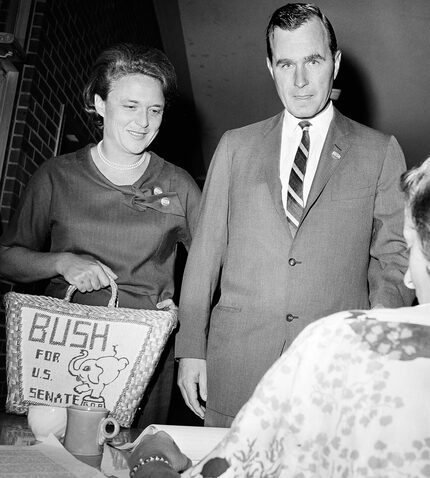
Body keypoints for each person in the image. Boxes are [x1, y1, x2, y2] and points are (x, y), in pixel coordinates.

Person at [175, 2, 415, 428]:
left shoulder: (379, 151)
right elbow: (205, 254)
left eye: (313, 61)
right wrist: (191, 347)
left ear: (335, 63)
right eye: (286, 64)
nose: (300, 81)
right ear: (270, 67)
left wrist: (377, 340)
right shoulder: (235, 147)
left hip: (335, 376)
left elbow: (393, 259)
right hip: (236, 372)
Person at [127, 156, 430, 477]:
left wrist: (151, 455)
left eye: (411, 246)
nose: (408, 280)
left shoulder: (340, 342)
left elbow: (227, 468)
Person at [0, 43, 201, 426]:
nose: (143, 121)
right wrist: (61, 262)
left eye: (154, 109)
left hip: (142, 358)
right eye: (130, 106)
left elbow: (212, 271)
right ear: (99, 104)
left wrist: (184, 316)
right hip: (63, 349)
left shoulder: (179, 185)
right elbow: (7, 256)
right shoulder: (57, 176)